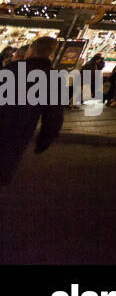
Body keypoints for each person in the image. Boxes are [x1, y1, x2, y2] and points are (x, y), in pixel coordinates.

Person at [0, 36, 64, 186]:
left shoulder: (12, 69)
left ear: (31, 50)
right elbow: (54, 115)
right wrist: (44, 140)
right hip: (19, 131)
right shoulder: (53, 78)